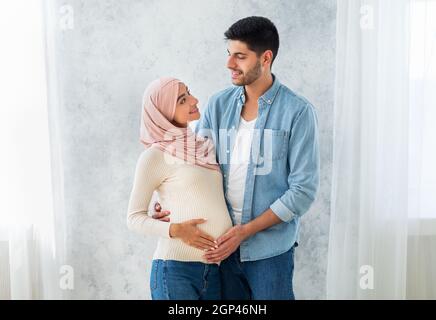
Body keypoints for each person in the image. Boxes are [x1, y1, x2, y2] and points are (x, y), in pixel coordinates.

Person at [153, 16, 320, 300]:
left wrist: (245, 231)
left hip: (270, 253)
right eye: (229, 55)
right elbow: (195, 167)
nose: (230, 64)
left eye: (240, 56)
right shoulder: (218, 105)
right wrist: (166, 203)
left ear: (265, 58)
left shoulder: (298, 112)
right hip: (220, 250)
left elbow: (302, 191)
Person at [126, 77, 233, 300]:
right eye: (182, 100)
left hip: (212, 271)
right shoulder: (154, 156)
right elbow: (134, 218)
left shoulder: (203, 147)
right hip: (176, 271)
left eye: (189, 93)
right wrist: (175, 230)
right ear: (163, 112)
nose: (194, 100)